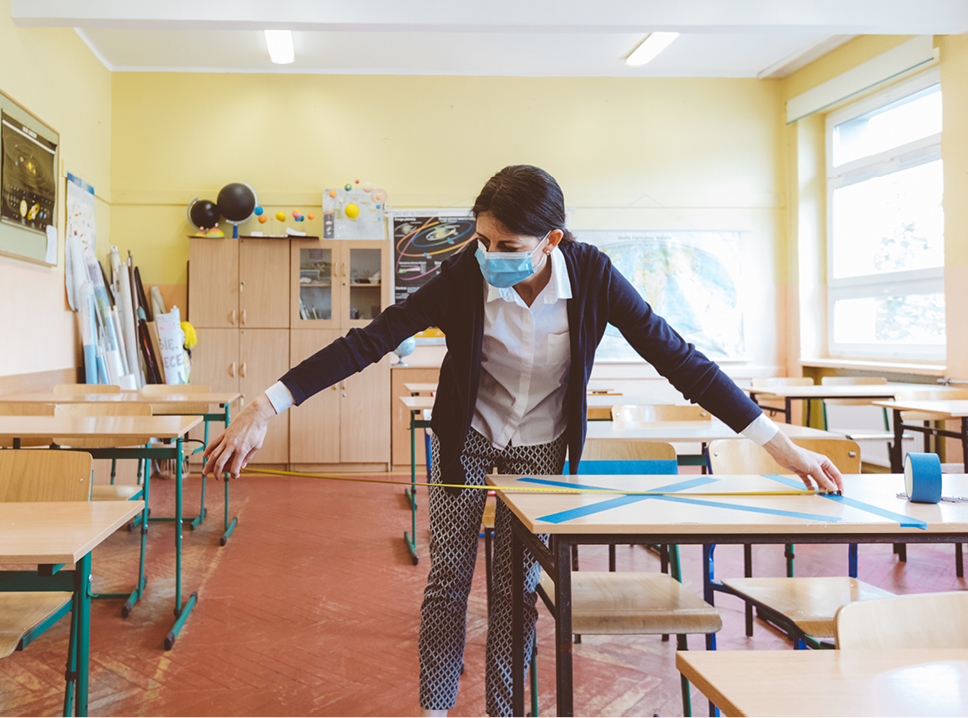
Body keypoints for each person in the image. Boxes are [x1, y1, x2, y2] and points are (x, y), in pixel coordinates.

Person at [203, 165, 842, 717]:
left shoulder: (593, 276)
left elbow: (680, 359)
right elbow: (370, 340)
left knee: (516, 588)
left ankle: (505, 710)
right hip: (466, 439)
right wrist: (268, 403)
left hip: (541, 447)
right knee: (449, 575)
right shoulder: (463, 275)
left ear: (551, 242)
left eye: (506, 243)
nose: (489, 254)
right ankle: (436, 705)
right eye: (481, 239)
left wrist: (778, 445)